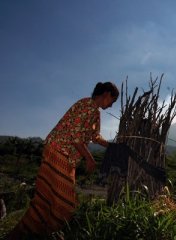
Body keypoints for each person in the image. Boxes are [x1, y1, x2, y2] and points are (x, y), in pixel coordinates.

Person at [7, 82, 119, 239]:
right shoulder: (86, 105)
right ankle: (50, 233)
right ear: (106, 94)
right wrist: (89, 158)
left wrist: (112, 146)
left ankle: (24, 234)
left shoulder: (95, 113)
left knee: (45, 199)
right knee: (65, 203)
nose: (112, 105)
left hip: (65, 155)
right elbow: (76, 138)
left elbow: (95, 136)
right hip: (59, 151)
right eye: (112, 101)